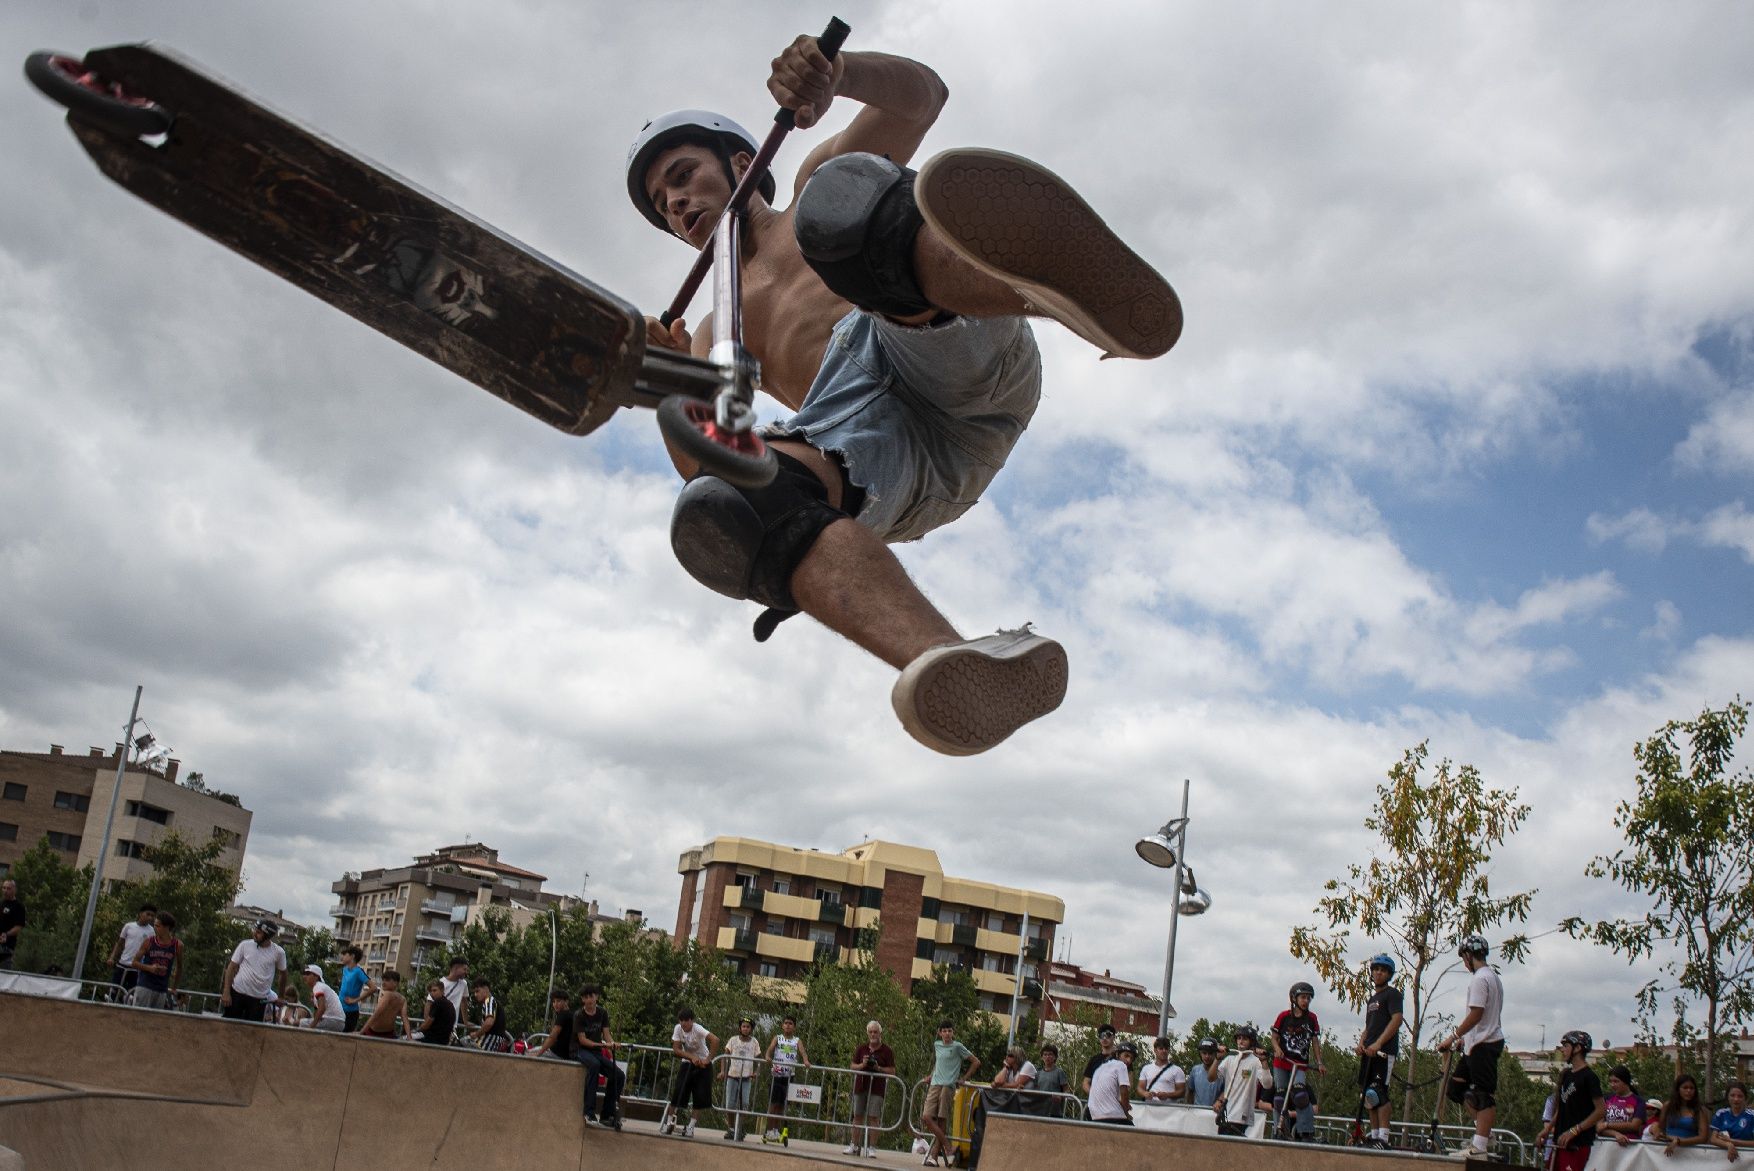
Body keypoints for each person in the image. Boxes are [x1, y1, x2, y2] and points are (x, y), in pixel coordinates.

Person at [628, 30, 1181, 758]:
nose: (674, 202)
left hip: (949, 361)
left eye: (681, 176)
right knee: (735, 503)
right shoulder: (716, 327)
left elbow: (923, 97)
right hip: (890, 455)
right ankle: (955, 664)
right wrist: (673, 386)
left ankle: (1069, 297)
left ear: (739, 163)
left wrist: (840, 74)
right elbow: (711, 464)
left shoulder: (808, 188)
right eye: (661, 204)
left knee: (840, 202)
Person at [1437, 934, 1505, 1160]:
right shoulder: (1492, 977)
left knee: (1482, 1095)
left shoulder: (1480, 978)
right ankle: (1485, 1133)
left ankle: (1480, 1147)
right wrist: (1464, 1039)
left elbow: (1477, 1014)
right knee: (1457, 1090)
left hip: (1485, 1043)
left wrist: (1453, 1036)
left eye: (1463, 958)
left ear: (1468, 955)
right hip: (1474, 1043)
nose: (1464, 963)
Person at [1357, 953, 1405, 1149]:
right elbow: (1369, 1026)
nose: (1378, 973)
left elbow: (1397, 1019)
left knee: (1379, 1093)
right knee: (1368, 1096)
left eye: (1383, 970)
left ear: (1389, 974)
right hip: (1369, 1053)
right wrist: (1362, 1043)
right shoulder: (1372, 999)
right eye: (1376, 969)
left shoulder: (1392, 994)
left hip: (1384, 1052)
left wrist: (1378, 1044)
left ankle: (1384, 1138)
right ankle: (1374, 1135)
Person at [920, 1020, 980, 1165]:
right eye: (944, 1031)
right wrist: (931, 1075)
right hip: (935, 1084)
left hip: (948, 1086)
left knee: (942, 1119)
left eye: (949, 1031)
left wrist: (964, 1078)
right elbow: (938, 1063)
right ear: (940, 1033)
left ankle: (934, 1157)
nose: (947, 1033)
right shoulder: (937, 1044)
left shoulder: (958, 1046)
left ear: (953, 1032)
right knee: (926, 1117)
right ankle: (948, 1146)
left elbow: (976, 1062)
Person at [1273, 981, 1324, 1140]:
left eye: (1308, 998)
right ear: (1294, 998)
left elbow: (1315, 1041)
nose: (1306, 1001)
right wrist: (1277, 1049)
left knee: (1300, 1095)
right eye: (1303, 997)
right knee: (1280, 1098)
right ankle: (1280, 1129)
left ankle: (1306, 1131)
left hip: (1300, 1064)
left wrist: (1319, 1062)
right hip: (1282, 1062)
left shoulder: (1312, 1018)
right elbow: (1274, 1037)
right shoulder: (1283, 1016)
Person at [659, 1006, 719, 1138]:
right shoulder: (678, 1029)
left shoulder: (698, 1029)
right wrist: (691, 1057)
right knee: (678, 1092)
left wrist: (708, 1059)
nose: (683, 1023)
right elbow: (676, 1049)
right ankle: (669, 1123)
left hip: (703, 1064)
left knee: (699, 1097)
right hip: (687, 1063)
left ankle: (691, 1127)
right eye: (681, 1020)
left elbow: (715, 1040)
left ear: (692, 1020)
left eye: (686, 1020)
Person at [1551, 1030, 1606, 1171]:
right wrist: (1546, 1131)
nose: (1562, 1049)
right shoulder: (1567, 1075)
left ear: (1577, 1048)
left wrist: (1574, 1130)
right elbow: (1561, 1108)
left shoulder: (1589, 1077)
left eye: (1566, 1046)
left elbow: (1601, 1110)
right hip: (1560, 1141)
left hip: (1577, 1144)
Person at [574, 984, 624, 1129]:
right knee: (594, 1066)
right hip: (580, 1050)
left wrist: (612, 1045)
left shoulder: (602, 1013)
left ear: (597, 997)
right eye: (586, 997)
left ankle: (607, 1115)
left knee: (618, 1075)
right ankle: (589, 1112)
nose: (589, 1000)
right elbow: (582, 1040)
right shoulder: (579, 1015)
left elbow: (606, 1035)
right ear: (582, 1000)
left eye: (591, 996)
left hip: (596, 1051)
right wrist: (602, 1045)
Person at [220, 918, 289, 1022]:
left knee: (252, 1028)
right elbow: (231, 967)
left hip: (258, 998)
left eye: (258, 932)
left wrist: (281, 996)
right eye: (255, 930)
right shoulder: (245, 945)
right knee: (229, 1024)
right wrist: (226, 991)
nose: (254, 934)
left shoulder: (278, 952)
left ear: (267, 935)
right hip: (238, 992)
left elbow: (283, 974)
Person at [846, 1018, 894, 1155]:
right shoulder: (861, 1048)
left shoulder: (887, 1051)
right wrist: (862, 1065)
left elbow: (892, 1071)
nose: (873, 1034)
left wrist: (879, 1068)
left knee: (874, 1117)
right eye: (871, 1032)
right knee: (857, 1116)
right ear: (867, 1033)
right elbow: (852, 1066)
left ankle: (872, 1148)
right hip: (861, 1086)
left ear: (880, 1033)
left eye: (875, 1032)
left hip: (877, 1088)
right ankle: (854, 1145)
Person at [1213, 1025, 1267, 1138]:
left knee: (1232, 1144)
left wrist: (1264, 1062)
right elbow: (1211, 1078)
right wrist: (1217, 1059)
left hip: (1241, 1114)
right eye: (1239, 1038)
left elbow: (1267, 1084)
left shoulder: (1256, 1062)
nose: (1241, 1041)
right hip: (1226, 1112)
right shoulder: (1229, 1059)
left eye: (1245, 1039)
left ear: (1252, 1042)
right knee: (1221, 1145)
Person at [763, 1013, 811, 1139]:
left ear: (794, 1027)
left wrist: (806, 1060)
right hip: (777, 1074)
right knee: (774, 1104)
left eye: (790, 1023)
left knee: (782, 1105)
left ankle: (776, 1130)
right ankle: (769, 1130)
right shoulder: (778, 1038)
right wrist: (767, 1056)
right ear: (782, 1025)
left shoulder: (797, 1040)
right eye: (786, 1023)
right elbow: (770, 1049)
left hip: (789, 1076)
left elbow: (803, 1052)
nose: (788, 1026)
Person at [128, 910, 182, 1010]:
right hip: (145, 986)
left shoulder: (177, 945)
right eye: (154, 925)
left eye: (158, 926)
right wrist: (150, 968)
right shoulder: (149, 941)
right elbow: (134, 963)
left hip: (162, 989)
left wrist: (174, 987)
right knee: (139, 1016)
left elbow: (180, 967)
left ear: (166, 927)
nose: (155, 928)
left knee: (156, 1017)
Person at [106, 903, 156, 1001]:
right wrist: (112, 957)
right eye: (148, 914)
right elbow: (120, 943)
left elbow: (151, 950)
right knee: (113, 991)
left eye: (152, 916)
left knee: (131, 995)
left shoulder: (151, 931)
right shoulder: (129, 926)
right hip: (123, 963)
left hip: (137, 967)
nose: (150, 917)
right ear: (140, 913)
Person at [723, 1015, 760, 1141]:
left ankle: (739, 1128)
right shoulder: (733, 1040)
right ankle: (731, 1128)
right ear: (740, 1028)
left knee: (744, 1103)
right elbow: (725, 1056)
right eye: (743, 1026)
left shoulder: (754, 1042)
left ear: (751, 1029)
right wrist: (723, 1071)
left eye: (748, 1027)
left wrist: (756, 1072)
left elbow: (759, 1060)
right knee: (730, 1104)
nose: (745, 1029)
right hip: (733, 1075)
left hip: (746, 1077)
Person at [1655, 1073, 1708, 1155]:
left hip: (1690, 1152)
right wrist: (1660, 1135)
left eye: (1692, 1088)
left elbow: (1703, 1137)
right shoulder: (1668, 1106)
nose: (1689, 1091)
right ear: (1678, 1089)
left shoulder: (1700, 1110)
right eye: (1685, 1087)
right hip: (1667, 1149)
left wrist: (1679, 1141)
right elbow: (1660, 1128)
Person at [1088, 1041, 1136, 1125]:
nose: (1129, 1060)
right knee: (1133, 1130)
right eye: (1126, 1056)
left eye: (1131, 1058)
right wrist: (1126, 1112)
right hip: (1112, 1116)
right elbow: (1124, 1093)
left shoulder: (1100, 1067)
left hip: (1094, 1115)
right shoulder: (1121, 1065)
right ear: (1117, 1054)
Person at [1599, 1066, 1648, 1147]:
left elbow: (1634, 1126)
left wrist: (1607, 1125)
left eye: (1616, 1081)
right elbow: (1599, 1127)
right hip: (1606, 1147)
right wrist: (1616, 1134)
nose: (1612, 1085)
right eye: (1610, 1081)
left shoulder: (1639, 1101)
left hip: (1629, 1147)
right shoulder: (1606, 1099)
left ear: (1626, 1081)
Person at [359, 969, 410, 1039]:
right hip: (389, 1033)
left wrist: (361, 1032)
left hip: (374, 1032)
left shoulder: (387, 994)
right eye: (383, 980)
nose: (383, 982)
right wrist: (409, 1037)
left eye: (387, 980)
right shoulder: (402, 999)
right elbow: (405, 1019)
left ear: (395, 983)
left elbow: (376, 1014)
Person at [1081, 1023, 1119, 1114]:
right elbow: (1085, 1083)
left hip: (1114, 1107)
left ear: (1113, 1037)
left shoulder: (1120, 1059)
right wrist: (1095, 1094)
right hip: (1095, 1107)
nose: (1104, 1038)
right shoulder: (1094, 1059)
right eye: (1101, 1035)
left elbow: (1128, 1084)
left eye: (1108, 1035)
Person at [528, 989, 576, 1059]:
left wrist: (538, 1054)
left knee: (527, 1053)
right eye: (554, 1002)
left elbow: (552, 1037)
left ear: (566, 1001)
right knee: (534, 1049)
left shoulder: (563, 1016)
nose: (555, 1004)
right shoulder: (572, 1014)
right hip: (565, 1053)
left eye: (558, 1001)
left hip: (558, 1054)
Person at [1137, 1036, 1186, 1103]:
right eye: (1161, 1048)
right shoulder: (1146, 1068)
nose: (1164, 1051)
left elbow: (1182, 1092)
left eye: (1166, 1048)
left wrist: (1167, 1095)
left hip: (1169, 1108)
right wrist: (1145, 1094)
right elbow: (1140, 1088)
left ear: (1169, 1050)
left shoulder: (1177, 1070)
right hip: (1149, 1107)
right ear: (1155, 1050)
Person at [1712, 1082, 1754, 1161]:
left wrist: (1732, 1141)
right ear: (1727, 1097)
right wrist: (1728, 1145)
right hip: (1723, 1161)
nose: (1736, 1099)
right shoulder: (1721, 1114)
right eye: (1732, 1095)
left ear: (1745, 1098)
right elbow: (1713, 1139)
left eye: (1740, 1096)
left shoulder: (1752, 1116)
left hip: (1748, 1160)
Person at [468, 978, 511, 1053]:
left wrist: (476, 1034)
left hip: (489, 1040)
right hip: (494, 1041)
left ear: (486, 989)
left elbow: (489, 1023)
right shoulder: (493, 1002)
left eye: (477, 991)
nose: (475, 995)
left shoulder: (489, 1001)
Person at [1026, 1043, 1069, 1116]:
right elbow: (1034, 1089)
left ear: (1055, 1057)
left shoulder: (1059, 1072)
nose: (1047, 1057)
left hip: (1055, 1112)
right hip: (1040, 1110)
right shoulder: (1038, 1073)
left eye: (1050, 1054)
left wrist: (1060, 1097)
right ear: (1042, 1057)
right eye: (1045, 1054)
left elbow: (1066, 1090)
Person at [336, 945, 371, 1033]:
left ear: (352, 956)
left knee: (345, 1038)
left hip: (350, 1013)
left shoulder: (358, 971)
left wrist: (355, 1000)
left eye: (345, 954)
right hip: (339, 1010)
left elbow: (373, 988)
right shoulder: (344, 969)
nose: (342, 957)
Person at [414, 979, 456, 1045]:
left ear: (442, 991)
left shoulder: (438, 1002)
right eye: (430, 991)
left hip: (432, 1039)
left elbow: (427, 1024)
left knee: (405, 1038)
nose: (432, 993)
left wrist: (416, 1030)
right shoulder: (449, 1004)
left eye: (434, 990)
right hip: (444, 1041)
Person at [1188, 1037, 1224, 1109]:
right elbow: (1190, 1091)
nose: (1207, 1056)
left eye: (1210, 1053)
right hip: (1197, 1112)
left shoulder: (1222, 1071)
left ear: (1215, 1054)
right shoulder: (1195, 1070)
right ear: (1200, 1053)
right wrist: (1189, 1109)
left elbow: (1226, 1091)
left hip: (1215, 1112)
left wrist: (1219, 1101)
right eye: (1204, 1053)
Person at [0, 878, 25, 969]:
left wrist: (6, 934)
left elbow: (18, 927)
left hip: (6, 948)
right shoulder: (1, 903)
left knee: (4, 973)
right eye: (4, 888)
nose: (5, 891)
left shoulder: (18, 906)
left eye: (8, 888)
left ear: (14, 890)